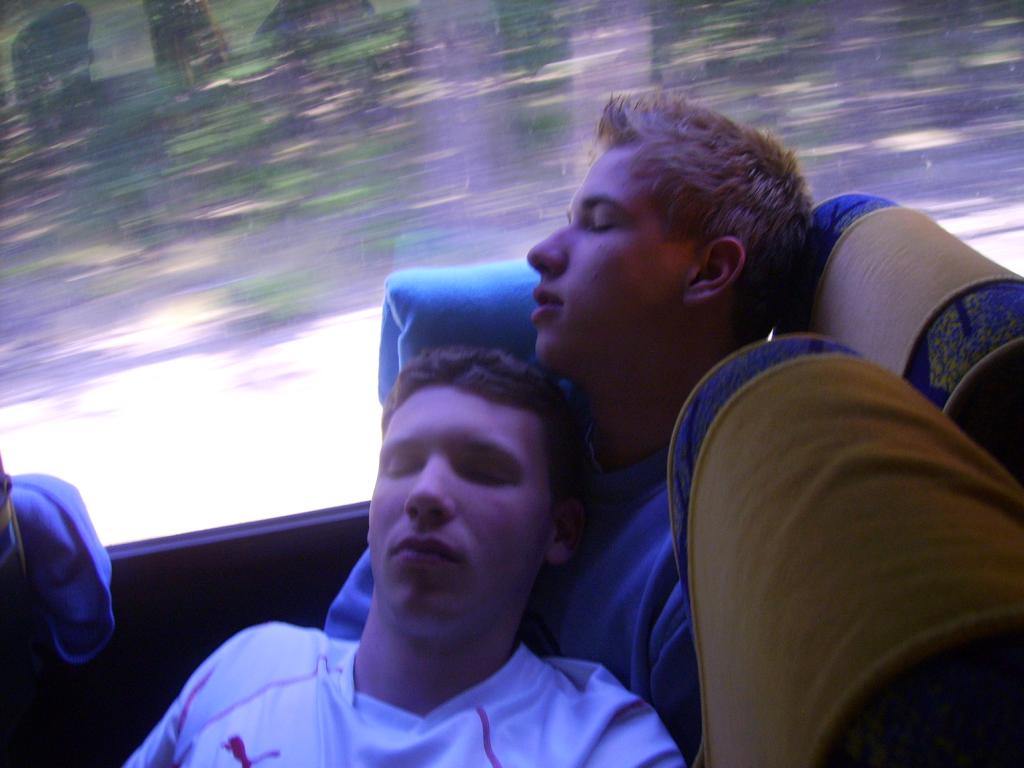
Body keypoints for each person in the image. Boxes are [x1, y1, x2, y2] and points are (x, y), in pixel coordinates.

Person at [325, 92, 813, 762]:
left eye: (598, 224)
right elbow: (347, 658)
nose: (542, 253)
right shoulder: (513, 431)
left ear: (707, 271)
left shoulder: (705, 565)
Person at [123, 347, 685, 767]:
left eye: (483, 470)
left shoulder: (602, 745)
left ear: (559, 531)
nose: (426, 493)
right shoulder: (251, 662)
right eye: (402, 465)